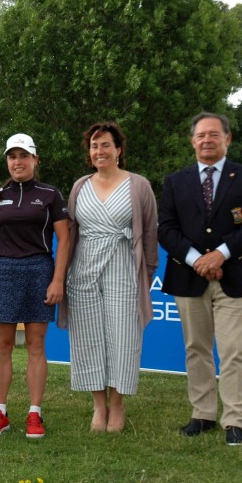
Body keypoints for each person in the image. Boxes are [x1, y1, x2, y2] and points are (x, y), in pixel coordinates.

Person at [158, 112, 242, 446]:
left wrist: (220, 254)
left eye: (214, 135)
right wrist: (198, 260)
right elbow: (166, 229)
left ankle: (234, 420)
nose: (207, 140)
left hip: (237, 275)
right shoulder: (175, 182)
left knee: (234, 351)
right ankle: (202, 415)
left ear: (227, 139)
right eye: (201, 135)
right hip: (189, 277)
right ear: (192, 141)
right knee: (197, 348)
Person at [59, 123, 158, 433]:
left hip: (123, 268)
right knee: (88, 339)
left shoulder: (139, 185)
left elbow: (151, 234)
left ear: (119, 150)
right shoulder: (79, 186)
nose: (99, 151)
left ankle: (117, 405)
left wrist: (146, 273)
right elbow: (72, 232)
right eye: (94, 146)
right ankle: (98, 406)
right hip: (83, 270)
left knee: (123, 337)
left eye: (105, 145)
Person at [0, 133, 70, 439]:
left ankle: (34, 414)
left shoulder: (50, 194)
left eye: (23, 156)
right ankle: (0, 412)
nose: (18, 162)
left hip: (38, 270)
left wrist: (57, 279)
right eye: (12, 157)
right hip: (3, 272)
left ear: (35, 160)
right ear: (7, 161)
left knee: (35, 345)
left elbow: (64, 239)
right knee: (2, 345)